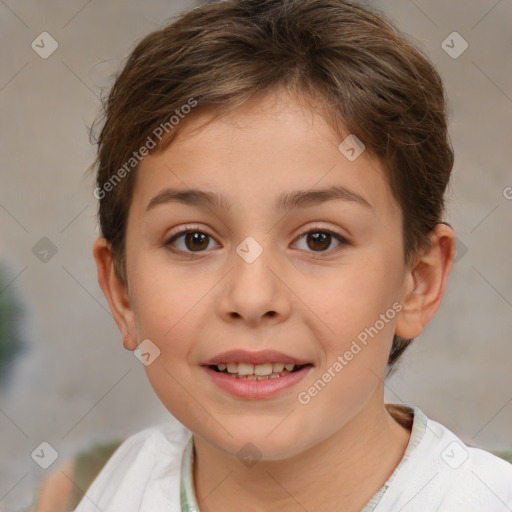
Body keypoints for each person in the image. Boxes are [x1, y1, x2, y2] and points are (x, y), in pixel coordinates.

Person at [76, 0, 512, 510]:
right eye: (194, 239)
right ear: (123, 292)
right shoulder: (125, 484)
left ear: (417, 280)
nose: (252, 297)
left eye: (319, 239)